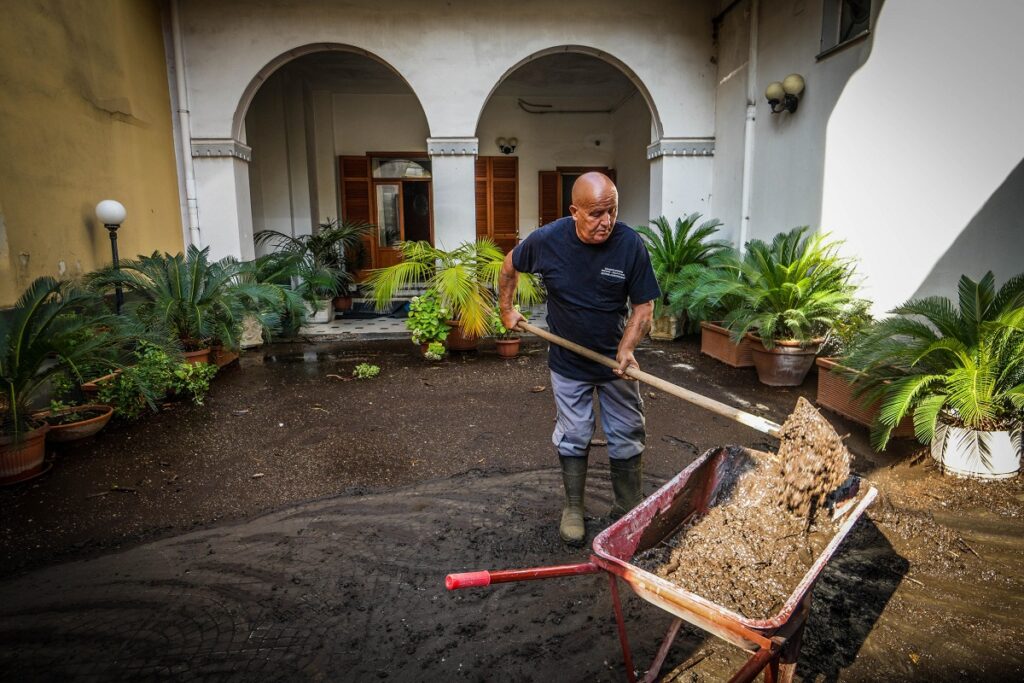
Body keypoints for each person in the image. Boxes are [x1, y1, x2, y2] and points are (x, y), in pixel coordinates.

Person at [498, 172, 659, 544]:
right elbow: (509, 267)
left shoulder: (629, 245)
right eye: (597, 214)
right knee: (574, 434)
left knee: (627, 433)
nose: (606, 222)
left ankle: (628, 506)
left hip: (615, 364)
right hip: (568, 361)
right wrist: (507, 310)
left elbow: (644, 307)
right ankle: (573, 507)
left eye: (612, 212)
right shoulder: (548, 240)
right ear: (575, 211)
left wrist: (627, 350)